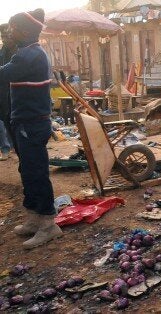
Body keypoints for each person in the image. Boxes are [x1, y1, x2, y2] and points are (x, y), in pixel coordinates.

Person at [0, 9, 62, 249]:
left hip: (32, 123)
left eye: (14, 28)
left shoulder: (29, 55)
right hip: (25, 121)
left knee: (36, 172)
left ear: (26, 31)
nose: (10, 32)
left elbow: (3, 73)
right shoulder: (26, 52)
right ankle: (34, 218)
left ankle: (48, 224)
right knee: (27, 171)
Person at [0, 24, 17, 160]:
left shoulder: (20, 52)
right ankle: (11, 148)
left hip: (16, 95)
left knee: (15, 124)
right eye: (2, 36)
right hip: (3, 93)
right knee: (6, 121)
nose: (5, 39)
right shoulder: (3, 51)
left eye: (7, 36)